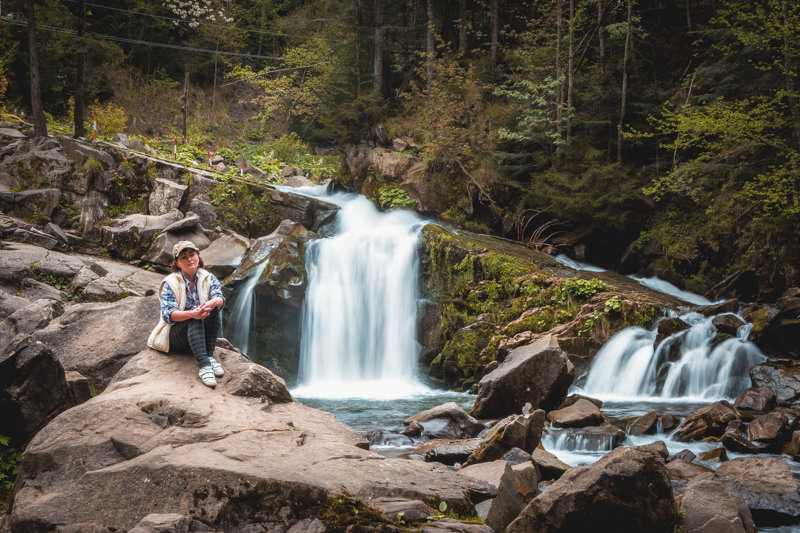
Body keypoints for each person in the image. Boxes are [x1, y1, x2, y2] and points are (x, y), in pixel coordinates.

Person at [160, 240, 226, 387]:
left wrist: (213, 303)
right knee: (195, 316)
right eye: (183, 257)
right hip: (177, 336)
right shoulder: (170, 283)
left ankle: (208, 356)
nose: (189, 259)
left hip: (199, 336)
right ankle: (204, 366)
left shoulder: (208, 278)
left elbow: (219, 298)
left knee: (211, 309)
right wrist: (192, 313)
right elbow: (168, 315)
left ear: (198, 256)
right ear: (177, 263)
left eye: (192, 254)